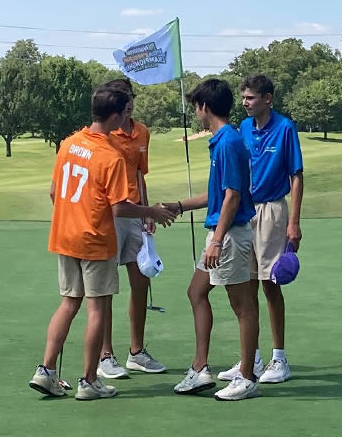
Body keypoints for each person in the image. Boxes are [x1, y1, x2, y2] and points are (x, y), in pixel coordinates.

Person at [29, 85, 176, 401]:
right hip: (95, 239)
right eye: (125, 111)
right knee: (98, 308)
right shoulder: (110, 155)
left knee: (69, 303)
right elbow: (120, 207)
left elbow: (55, 193)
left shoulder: (68, 144)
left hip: (64, 236)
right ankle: (89, 381)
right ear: (115, 114)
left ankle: (46, 371)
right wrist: (152, 211)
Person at [168, 78, 262, 401]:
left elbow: (233, 198)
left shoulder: (227, 143)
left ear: (204, 107)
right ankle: (200, 369)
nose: (195, 113)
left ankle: (247, 376)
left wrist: (216, 241)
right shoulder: (223, 141)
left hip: (230, 235)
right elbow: (217, 195)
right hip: (222, 231)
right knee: (196, 291)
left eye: (196, 107)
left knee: (242, 305)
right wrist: (179, 206)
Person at [227, 74, 304, 384]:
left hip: (273, 210)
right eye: (244, 97)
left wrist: (294, 222)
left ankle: (279, 358)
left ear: (267, 99)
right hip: (246, 211)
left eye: (251, 97)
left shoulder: (285, 128)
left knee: (270, 284)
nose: (245, 102)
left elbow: (296, 175)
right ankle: (252, 358)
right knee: (246, 286)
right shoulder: (244, 128)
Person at [96, 79, 168, 379]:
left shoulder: (142, 132)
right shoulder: (103, 132)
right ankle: (105, 355)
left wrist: (148, 213)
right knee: (106, 287)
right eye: (123, 97)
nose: (129, 102)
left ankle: (136, 352)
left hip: (136, 212)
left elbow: (139, 174)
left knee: (141, 281)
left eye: (131, 96)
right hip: (109, 215)